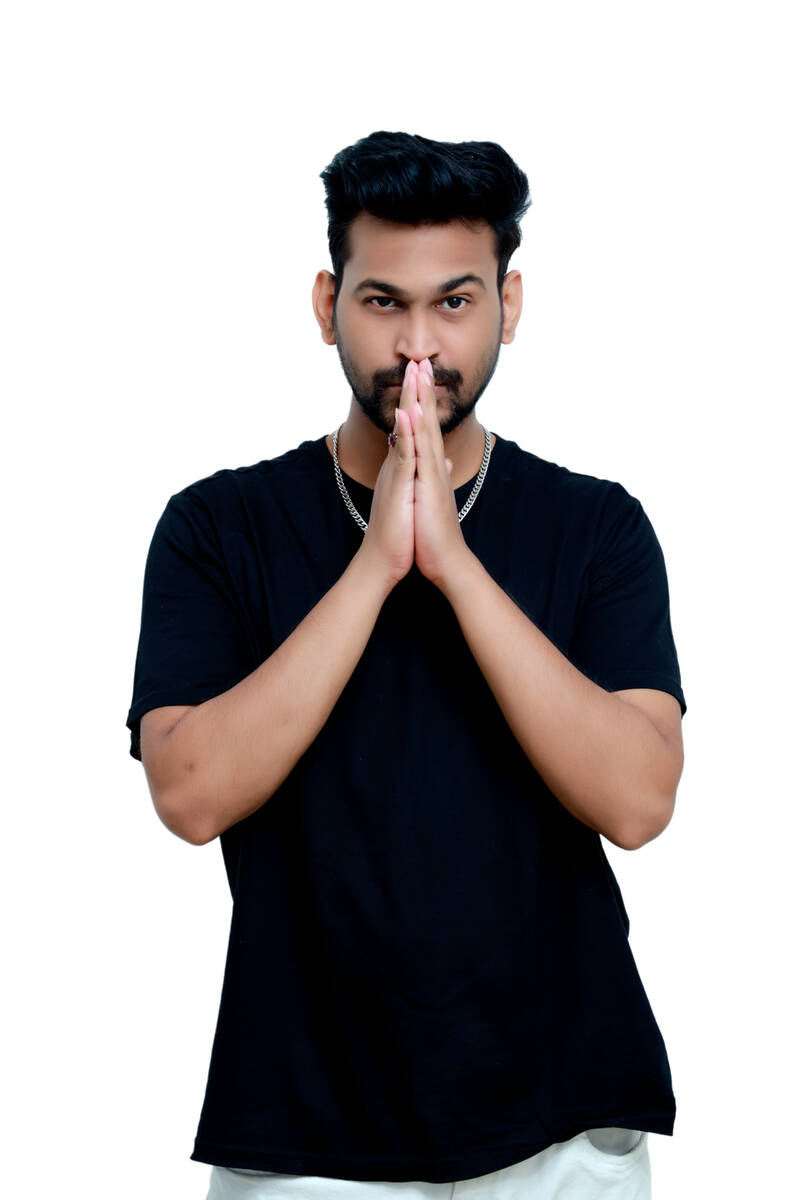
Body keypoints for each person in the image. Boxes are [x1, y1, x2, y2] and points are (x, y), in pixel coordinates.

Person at [126, 131, 686, 1200]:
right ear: (326, 304)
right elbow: (189, 795)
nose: (418, 347)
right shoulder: (216, 527)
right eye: (383, 302)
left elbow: (638, 801)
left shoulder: (596, 528)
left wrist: (456, 569)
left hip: (562, 1122)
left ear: (507, 306)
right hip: (301, 1133)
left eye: (454, 302)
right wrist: (377, 564)